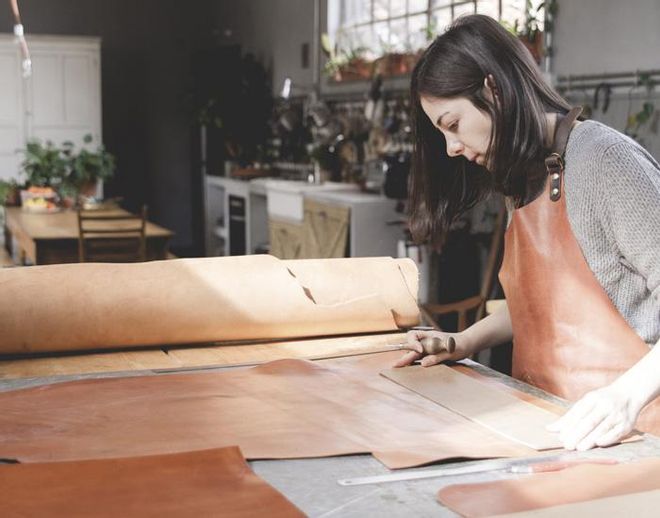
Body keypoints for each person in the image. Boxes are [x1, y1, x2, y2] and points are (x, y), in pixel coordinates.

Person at [396, 14, 660, 451]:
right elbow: (539, 309)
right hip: (548, 427)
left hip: (630, 438)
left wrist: (625, 398)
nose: (451, 148)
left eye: (453, 124)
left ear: (493, 90)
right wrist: (462, 341)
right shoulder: (523, 180)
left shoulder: (605, 163)